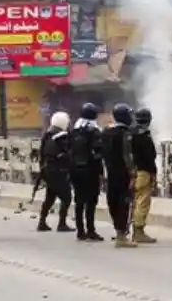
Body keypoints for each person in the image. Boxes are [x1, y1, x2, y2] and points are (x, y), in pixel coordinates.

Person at [101, 103, 137, 248]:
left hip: (109, 172)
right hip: (123, 173)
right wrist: (133, 173)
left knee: (113, 202)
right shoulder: (126, 133)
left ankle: (118, 231)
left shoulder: (105, 132)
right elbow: (127, 155)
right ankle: (122, 236)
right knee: (124, 203)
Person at [69, 103, 105, 242]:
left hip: (75, 170)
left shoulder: (74, 130)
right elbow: (98, 153)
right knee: (91, 201)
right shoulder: (94, 131)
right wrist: (101, 172)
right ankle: (90, 230)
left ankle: (80, 230)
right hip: (90, 170)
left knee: (79, 200)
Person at [37, 111, 73, 232]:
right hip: (59, 171)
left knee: (50, 197)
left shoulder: (47, 134)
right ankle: (61, 223)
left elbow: (41, 153)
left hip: (47, 170)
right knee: (66, 197)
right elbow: (67, 154)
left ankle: (42, 222)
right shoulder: (62, 136)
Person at [130, 107, 158, 244]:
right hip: (144, 172)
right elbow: (149, 156)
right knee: (143, 201)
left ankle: (129, 230)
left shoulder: (131, 133)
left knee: (134, 201)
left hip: (133, 171)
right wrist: (153, 173)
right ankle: (138, 231)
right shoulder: (144, 135)